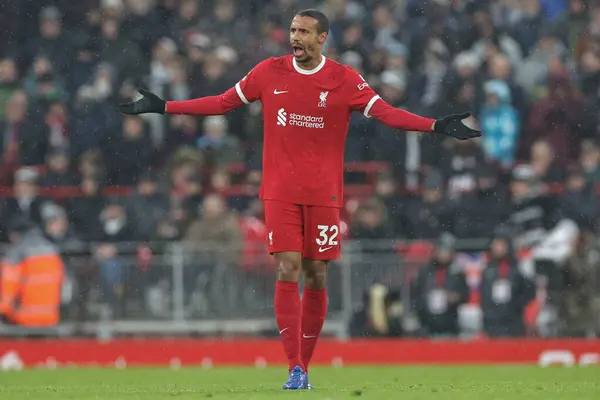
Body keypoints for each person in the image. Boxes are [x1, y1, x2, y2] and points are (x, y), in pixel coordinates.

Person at [119, 9, 481, 390]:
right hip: (280, 192)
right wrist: (164, 107)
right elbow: (223, 102)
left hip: (325, 194)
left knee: (316, 274)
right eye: (293, 30)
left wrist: (435, 125)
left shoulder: (344, 79)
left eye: (305, 31)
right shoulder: (269, 71)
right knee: (287, 267)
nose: (296, 37)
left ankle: (305, 363)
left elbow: (387, 114)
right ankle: (296, 367)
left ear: (322, 37)